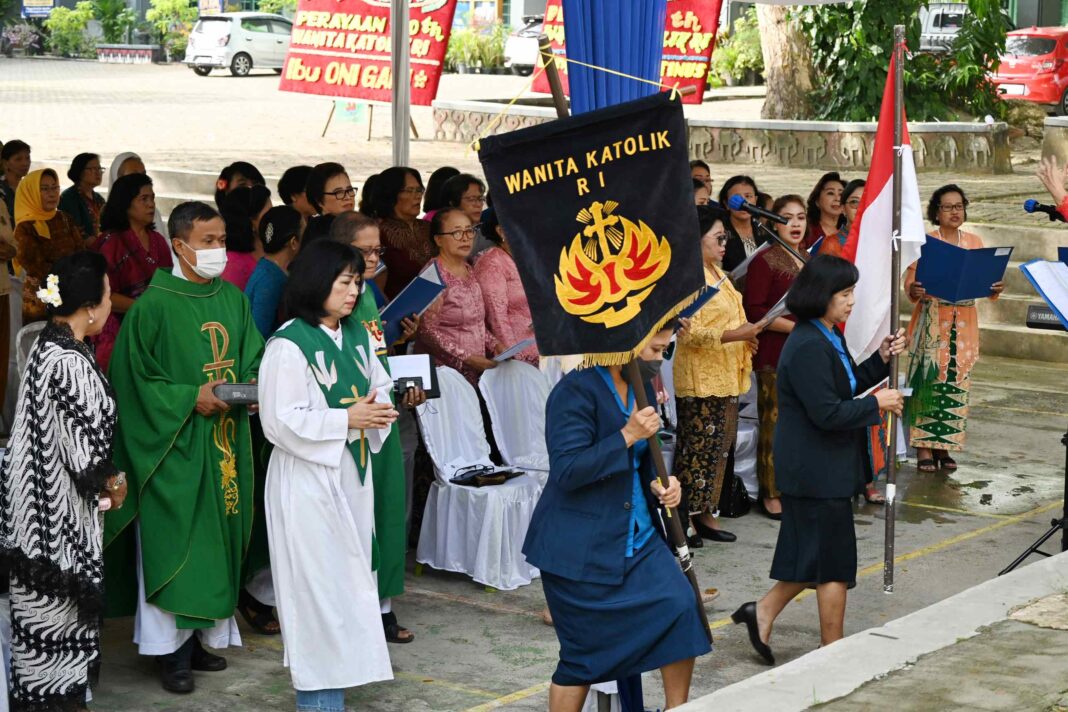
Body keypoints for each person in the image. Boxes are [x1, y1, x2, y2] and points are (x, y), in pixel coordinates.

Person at [103, 201, 264, 694]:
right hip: (171, 450)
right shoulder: (154, 305)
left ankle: (196, 642)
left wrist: (256, 385)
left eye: (221, 240)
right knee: (174, 546)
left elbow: (253, 352)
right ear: (180, 245)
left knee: (215, 547)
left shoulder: (232, 299)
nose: (218, 250)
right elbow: (130, 385)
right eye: (208, 241)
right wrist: (188, 397)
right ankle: (167, 652)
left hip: (224, 446)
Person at [523, 325, 711, 712]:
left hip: (636, 537)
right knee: (581, 660)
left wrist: (664, 485)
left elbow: (646, 459)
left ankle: (678, 708)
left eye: (666, 345)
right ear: (624, 340)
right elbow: (568, 471)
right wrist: (626, 434)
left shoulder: (641, 382)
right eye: (656, 344)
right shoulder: (575, 389)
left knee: (682, 609)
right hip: (578, 548)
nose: (661, 353)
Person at [732, 255, 905, 662]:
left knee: (811, 554)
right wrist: (877, 404)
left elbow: (843, 385)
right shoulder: (808, 343)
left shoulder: (826, 334)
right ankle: (832, 650)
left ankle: (762, 612)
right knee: (833, 564)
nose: (851, 301)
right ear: (820, 295)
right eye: (844, 294)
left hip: (823, 464)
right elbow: (827, 412)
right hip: (814, 467)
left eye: (851, 292)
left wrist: (879, 360)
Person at [258, 241, 399, 710]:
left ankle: (332, 694)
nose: (355, 292)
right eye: (344, 282)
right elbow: (279, 421)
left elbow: (379, 384)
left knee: (345, 587)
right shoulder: (288, 343)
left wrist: (381, 409)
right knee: (315, 594)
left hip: (352, 476)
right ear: (317, 282)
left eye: (358, 282)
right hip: (307, 481)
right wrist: (346, 420)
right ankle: (319, 702)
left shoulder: (357, 335)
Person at [0, 251, 127, 711]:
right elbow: (84, 454)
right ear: (90, 307)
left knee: (38, 657)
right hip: (57, 536)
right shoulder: (69, 361)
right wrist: (114, 481)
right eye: (109, 294)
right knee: (57, 658)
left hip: (35, 525)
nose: (112, 303)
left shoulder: (46, 345)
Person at [329, 210, 424, 643]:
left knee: (386, 513)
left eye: (377, 250)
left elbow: (376, 356)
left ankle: (383, 604)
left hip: (382, 415)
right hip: (352, 424)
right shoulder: (334, 300)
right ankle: (359, 607)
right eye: (364, 251)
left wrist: (402, 358)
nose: (373, 259)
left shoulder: (368, 294)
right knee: (355, 519)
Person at [675, 207, 760, 548]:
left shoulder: (716, 272)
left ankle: (706, 513)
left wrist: (747, 334)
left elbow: (733, 318)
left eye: (725, 238)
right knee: (696, 449)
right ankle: (685, 521)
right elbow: (688, 331)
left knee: (718, 450)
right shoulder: (688, 276)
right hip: (700, 377)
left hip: (724, 373)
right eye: (719, 238)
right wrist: (739, 334)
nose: (725, 244)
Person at [905, 184, 1003, 473]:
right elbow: (909, 286)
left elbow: (989, 284)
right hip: (933, 320)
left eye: (959, 206)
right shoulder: (925, 243)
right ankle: (923, 448)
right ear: (936, 211)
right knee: (928, 382)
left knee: (956, 383)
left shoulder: (974, 241)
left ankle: (944, 446)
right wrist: (916, 289)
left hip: (964, 323)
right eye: (947, 207)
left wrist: (995, 286)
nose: (954, 211)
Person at [744, 195, 807, 519]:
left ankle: (794, 486)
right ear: (772, 222)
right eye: (787, 218)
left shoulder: (808, 258)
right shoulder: (764, 260)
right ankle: (771, 492)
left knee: (799, 428)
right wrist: (796, 330)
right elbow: (754, 311)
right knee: (775, 426)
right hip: (773, 356)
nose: (795, 224)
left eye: (800, 217)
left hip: (805, 357)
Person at [91, 172, 173, 371]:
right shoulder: (110, 243)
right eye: (143, 199)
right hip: (117, 331)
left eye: (152, 198)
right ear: (125, 203)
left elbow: (169, 285)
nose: (151, 204)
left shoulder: (158, 241)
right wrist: (143, 308)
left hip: (156, 328)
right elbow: (101, 295)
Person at [416, 208, 499, 385]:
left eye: (469, 231)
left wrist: (495, 345)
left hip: (476, 371)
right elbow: (427, 331)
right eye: (456, 232)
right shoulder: (433, 275)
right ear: (438, 239)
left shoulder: (468, 268)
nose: (465, 238)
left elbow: (475, 322)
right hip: (447, 375)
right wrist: (467, 358)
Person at [14, 168, 86, 323]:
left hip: (71, 294)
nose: (52, 193)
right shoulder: (25, 227)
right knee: (43, 343)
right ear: (31, 193)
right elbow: (35, 266)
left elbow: (81, 252)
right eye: (45, 189)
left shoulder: (65, 218)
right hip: (41, 301)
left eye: (55, 187)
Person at [472, 207, 538, 365]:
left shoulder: (528, 255)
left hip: (544, 345)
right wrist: (516, 358)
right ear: (501, 231)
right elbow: (496, 318)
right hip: (520, 353)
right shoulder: (491, 263)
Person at [371, 166, 433, 299]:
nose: (417, 196)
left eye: (419, 190)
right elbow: (375, 288)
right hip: (399, 313)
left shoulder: (430, 228)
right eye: (409, 190)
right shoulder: (378, 234)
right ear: (391, 194)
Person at [246, 205, 303, 339]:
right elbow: (258, 335)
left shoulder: (271, 270)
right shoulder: (270, 280)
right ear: (294, 242)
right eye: (304, 233)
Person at [220, 184, 272, 290]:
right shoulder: (234, 265)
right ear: (251, 221)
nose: (274, 218)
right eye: (268, 214)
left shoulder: (272, 249)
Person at [107, 152, 167, 238]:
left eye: (143, 174)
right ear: (118, 180)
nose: (141, 179)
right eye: (134, 176)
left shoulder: (152, 213)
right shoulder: (105, 217)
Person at [719, 175, 765, 273]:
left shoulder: (764, 230)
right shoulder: (719, 233)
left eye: (748, 196)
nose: (743, 202)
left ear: (755, 200)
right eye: (737, 198)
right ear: (726, 204)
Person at [440, 173, 492, 257]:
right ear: (453, 203)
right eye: (472, 199)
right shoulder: (445, 236)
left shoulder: (487, 233)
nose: (478, 204)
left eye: (480, 199)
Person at [59, 152, 106, 239]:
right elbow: (76, 230)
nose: (98, 173)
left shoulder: (99, 199)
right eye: (92, 169)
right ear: (80, 171)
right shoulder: (69, 197)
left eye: (99, 169)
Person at [818, 178, 865, 258]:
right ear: (843, 208)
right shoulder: (832, 244)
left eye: (865, 201)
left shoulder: (882, 240)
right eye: (854, 202)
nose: (860, 207)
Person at [805, 172, 846, 250]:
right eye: (830, 193)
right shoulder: (807, 230)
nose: (837, 198)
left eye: (841, 194)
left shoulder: (849, 232)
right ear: (817, 201)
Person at [0, 139, 31, 218]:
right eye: (18, 159)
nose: (25, 163)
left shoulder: (30, 188)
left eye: (27, 158)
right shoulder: (1, 191)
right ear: (5, 163)